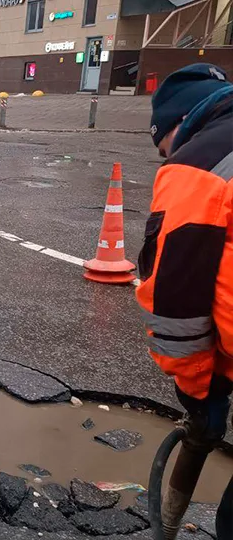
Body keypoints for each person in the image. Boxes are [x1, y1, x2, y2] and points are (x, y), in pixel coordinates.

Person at [136, 63, 233, 537]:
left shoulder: (197, 164)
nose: (165, 159)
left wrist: (199, 388)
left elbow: (175, 297)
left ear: (176, 126)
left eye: (161, 150)